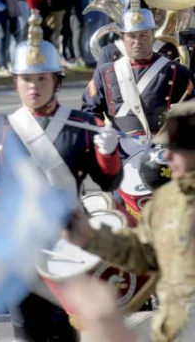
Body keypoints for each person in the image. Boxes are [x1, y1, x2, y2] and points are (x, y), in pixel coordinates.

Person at [0, 0, 123, 342]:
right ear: (16, 82)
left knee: (70, 328)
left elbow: (108, 181)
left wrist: (108, 153)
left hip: (70, 241)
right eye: (26, 79)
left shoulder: (82, 125)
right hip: (20, 245)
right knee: (28, 330)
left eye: (41, 79)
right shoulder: (2, 127)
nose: (33, 87)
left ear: (56, 80)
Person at [66, 100, 195, 342]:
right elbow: (143, 252)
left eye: (176, 147)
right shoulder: (167, 201)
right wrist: (92, 237)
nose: (166, 156)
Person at [82, 0, 195, 160]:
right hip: (120, 153)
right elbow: (90, 110)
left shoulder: (177, 70)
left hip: (163, 152)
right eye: (132, 36)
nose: (138, 41)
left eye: (143, 35)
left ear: (152, 34)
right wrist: (102, 137)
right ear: (122, 36)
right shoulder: (106, 71)